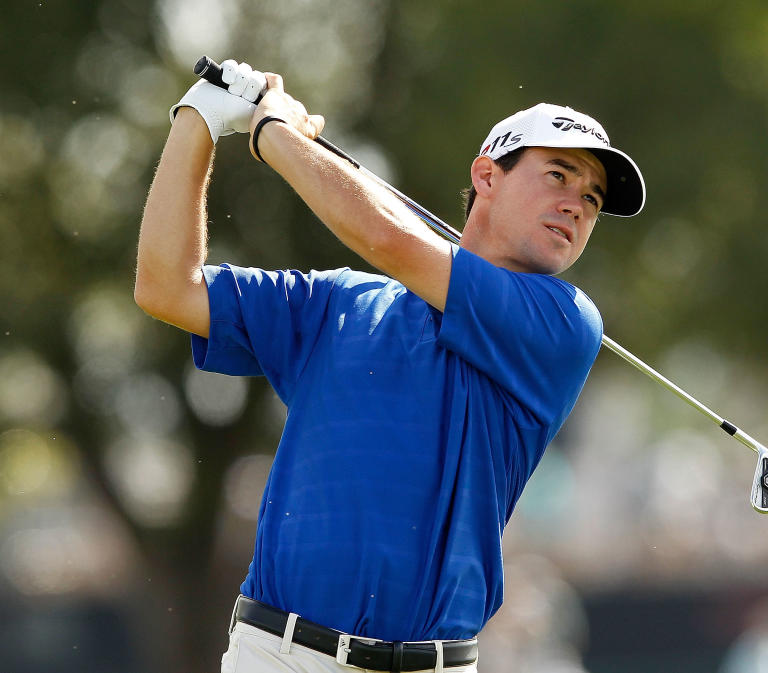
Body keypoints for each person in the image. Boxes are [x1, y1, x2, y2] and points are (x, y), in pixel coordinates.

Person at [135, 59, 645, 673]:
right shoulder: (337, 305)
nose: (576, 206)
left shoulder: (562, 323)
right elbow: (166, 287)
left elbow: (390, 241)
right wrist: (199, 117)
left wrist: (274, 133)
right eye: (559, 176)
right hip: (281, 656)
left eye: (591, 199)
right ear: (487, 175)